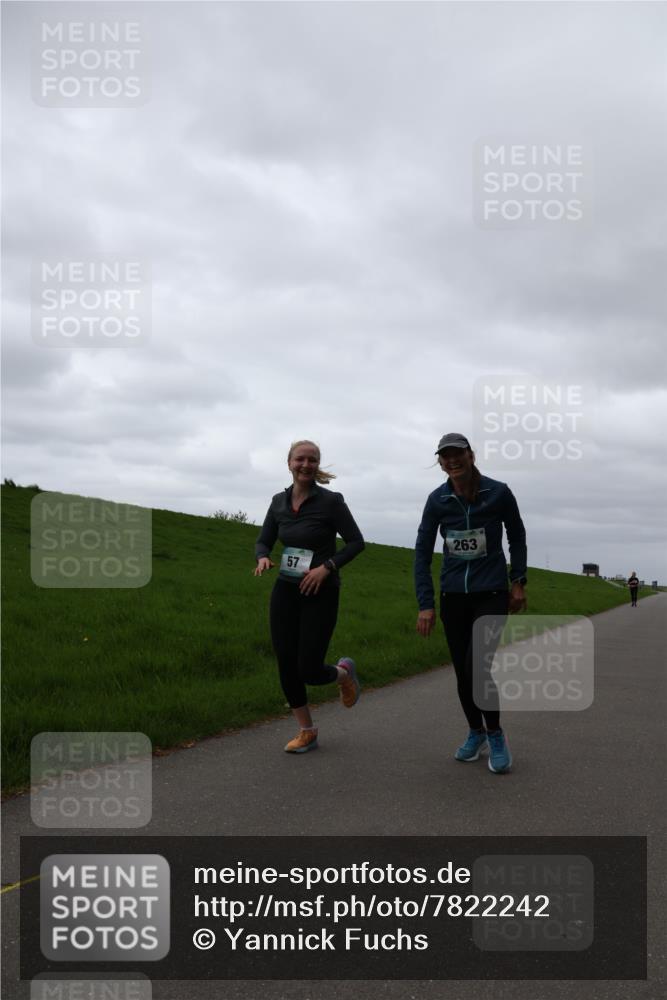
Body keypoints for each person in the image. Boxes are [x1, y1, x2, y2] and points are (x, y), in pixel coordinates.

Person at [414, 433, 527, 774]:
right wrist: (426, 603)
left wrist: (518, 580)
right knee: (463, 673)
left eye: (457, 454)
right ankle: (475, 732)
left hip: (491, 593)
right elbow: (421, 554)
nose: (452, 460)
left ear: (470, 455)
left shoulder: (499, 492)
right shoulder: (437, 500)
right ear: (440, 461)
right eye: (445, 456)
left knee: (477, 666)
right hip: (453, 596)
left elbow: (517, 534)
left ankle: (495, 735)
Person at [254, 440, 365, 753]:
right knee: (286, 664)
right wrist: (262, 557)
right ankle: (307, 731)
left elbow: (356, 542)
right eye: (300, 459)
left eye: (312, 460)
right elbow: (263, 541)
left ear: (317, 465)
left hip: (320, 592)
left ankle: (343, 674)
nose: (306, 464)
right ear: (289, 462)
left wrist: (326, 568)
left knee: (309, 669)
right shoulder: (278, 502)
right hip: (286, 590)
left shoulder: (331, 501)